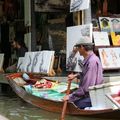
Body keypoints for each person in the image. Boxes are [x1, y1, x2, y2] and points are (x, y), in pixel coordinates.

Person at [63, 37, 104, 109]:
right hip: (90, 94)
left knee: (72, 103)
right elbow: (86, 73)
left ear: (82, 47)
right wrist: (76, 75)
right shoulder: (90, 59)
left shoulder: (92, 61)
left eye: (78, 47)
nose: (77, 50)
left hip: (92, 97)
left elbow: (87, 87)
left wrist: (70, 97)